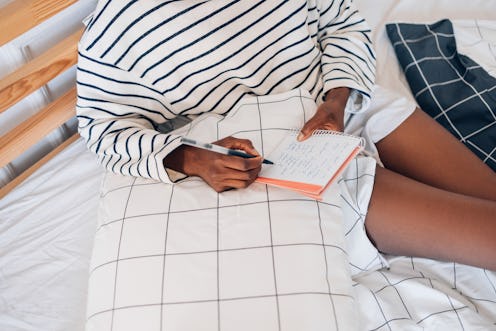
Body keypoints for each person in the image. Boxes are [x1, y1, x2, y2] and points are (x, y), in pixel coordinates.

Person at [77, 0, 496, 270]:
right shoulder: (115, 35)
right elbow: (102, 129)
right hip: (283, 154)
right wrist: (190, 157)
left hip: (345, 104)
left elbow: (343, 24)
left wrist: (337, 100)